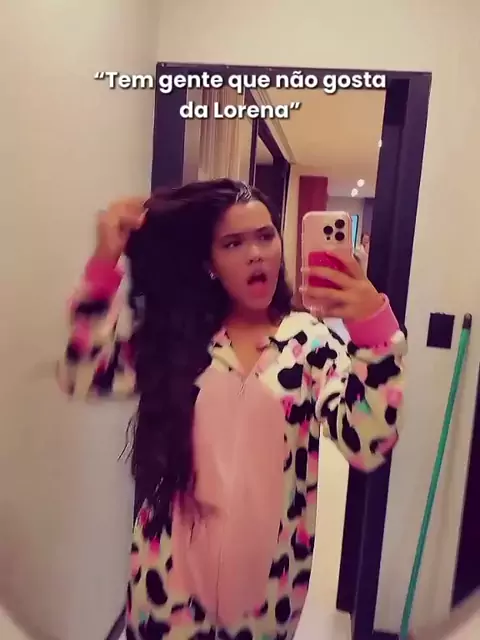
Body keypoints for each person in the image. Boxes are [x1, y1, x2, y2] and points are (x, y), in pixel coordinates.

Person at [57, 179, 406, 640]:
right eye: (233, 243)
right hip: (167, 580)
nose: (256, 254)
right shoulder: (178, 339)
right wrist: (105, 262)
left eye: (265, 236)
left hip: (270, 587)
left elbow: (368, 443)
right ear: (209, 263)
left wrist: (373, 328)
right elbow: (83, 372)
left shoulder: (309, 343)